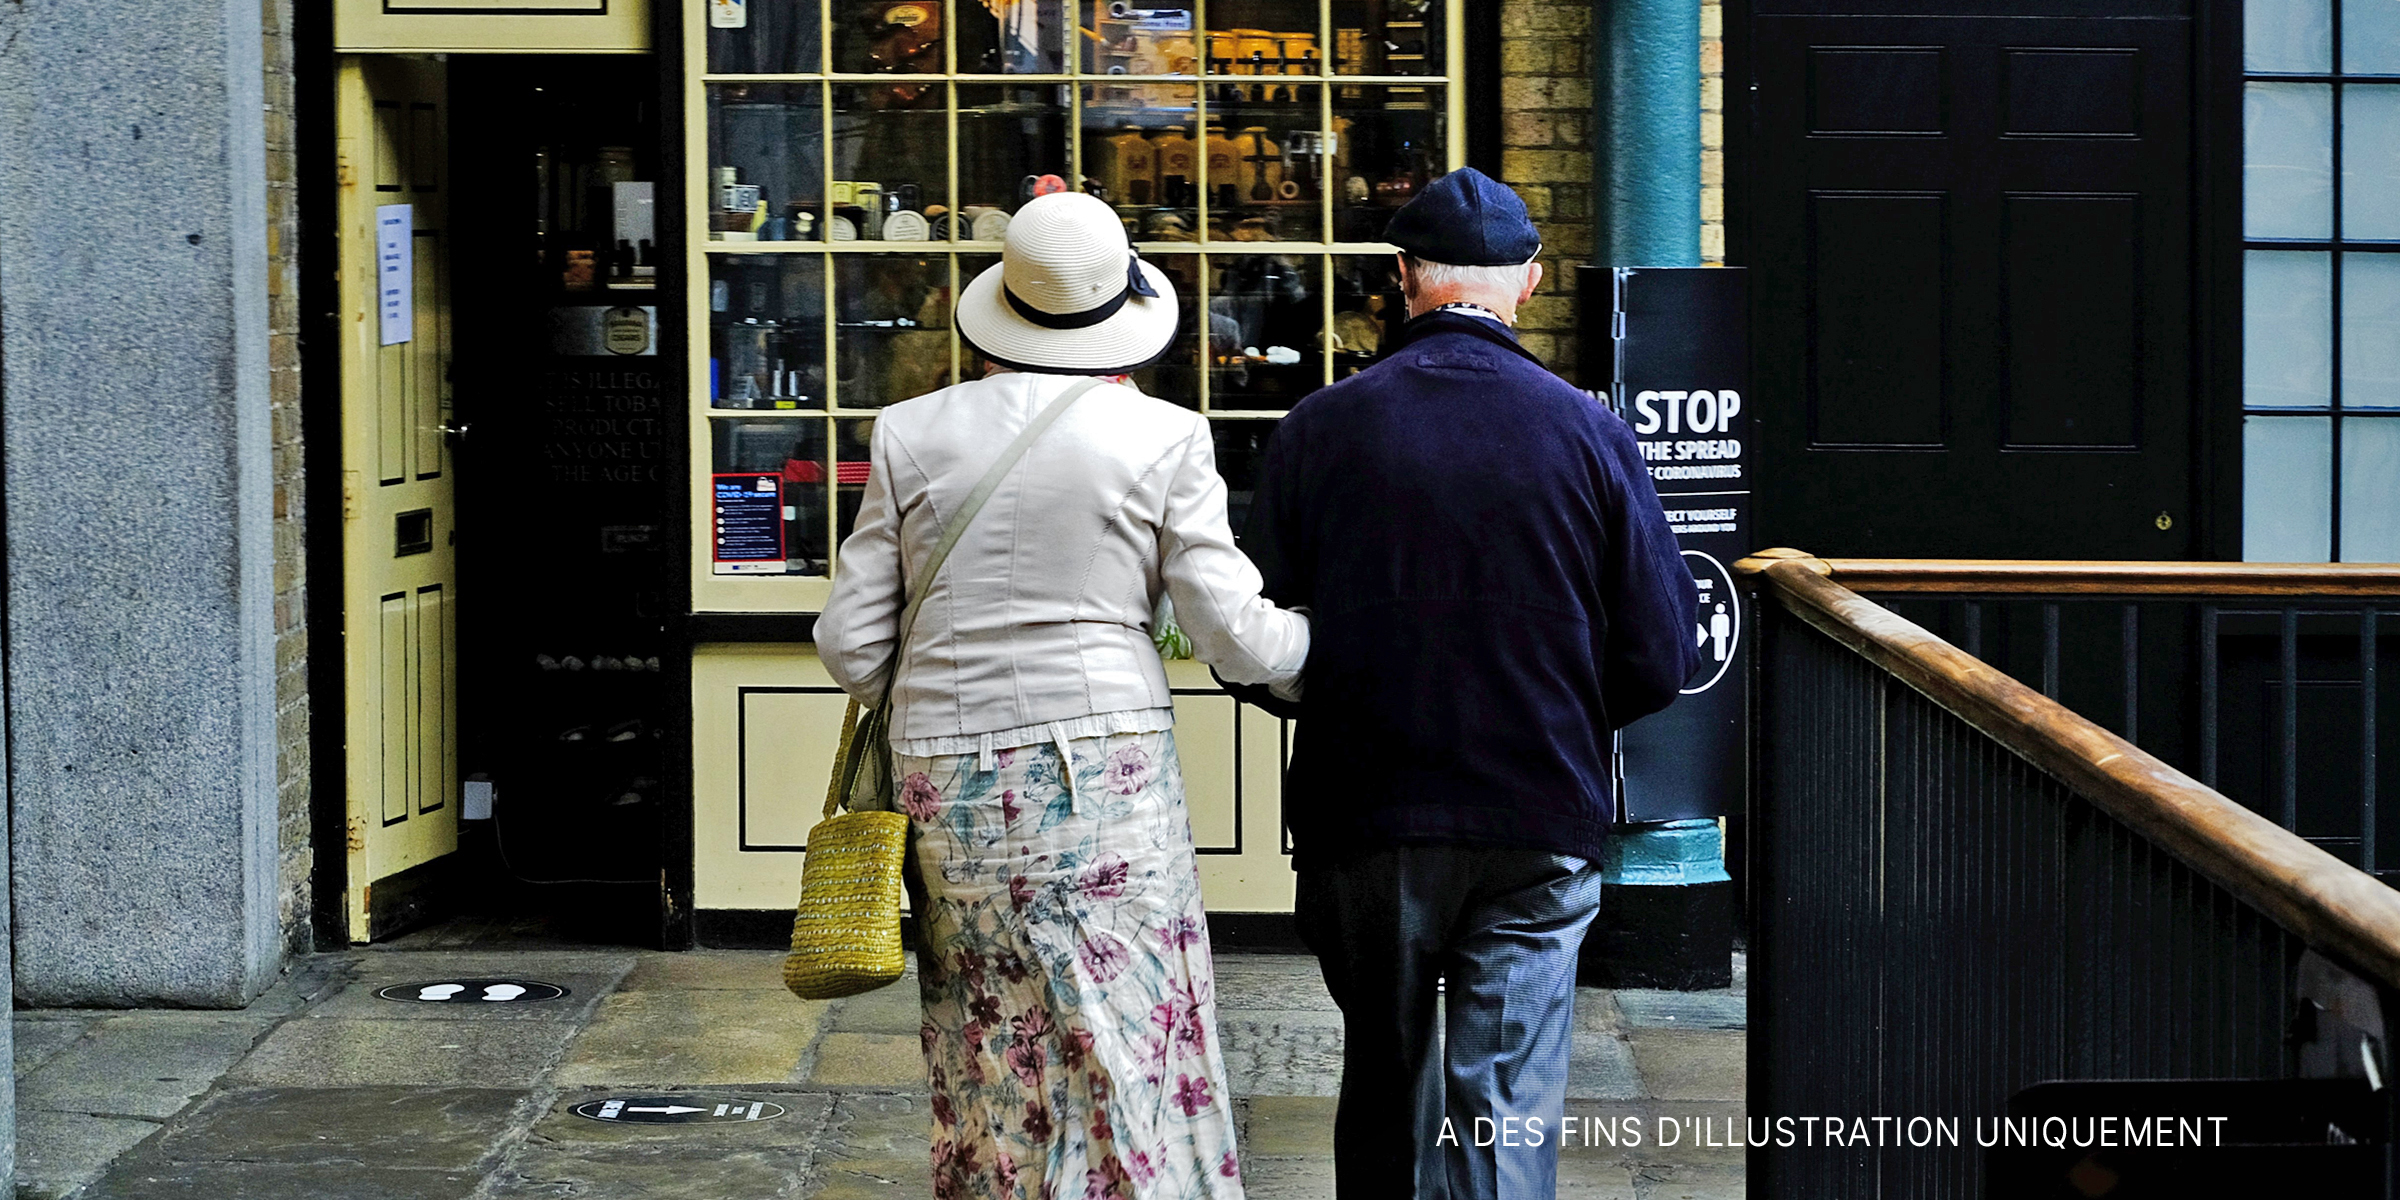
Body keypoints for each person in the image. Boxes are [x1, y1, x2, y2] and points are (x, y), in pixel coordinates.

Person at [1218, 167, 1701, 1200]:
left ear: (1402, 278)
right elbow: (1661, 656)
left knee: (1386, 1078)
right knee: (1508, 1100)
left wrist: (1338, 694)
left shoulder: (1320, 428)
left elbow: (1249, 638)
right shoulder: (1592, 434)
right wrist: (1556, 710)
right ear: (1527, 283)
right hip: (1538, 804)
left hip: (1369, 805)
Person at [816, 191, 1307, 1200]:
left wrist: (941, 682)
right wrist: (1320, 655)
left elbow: (849, 641)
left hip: (942, 775)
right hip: (1103, 770)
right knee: (1131, 1025)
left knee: (990, 1030)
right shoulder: (1164, 436)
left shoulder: (909, 432)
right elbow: (1230, 629)